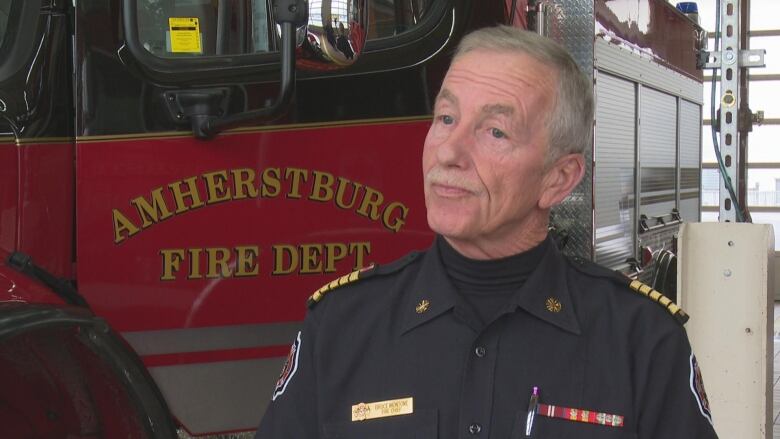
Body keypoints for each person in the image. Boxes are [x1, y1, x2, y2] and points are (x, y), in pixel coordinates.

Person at [254, 25, 719, 439]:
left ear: (559, 178)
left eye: (495, 131)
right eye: (446, 118)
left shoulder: (641, 342)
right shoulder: (340, 328)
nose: (449, 152)